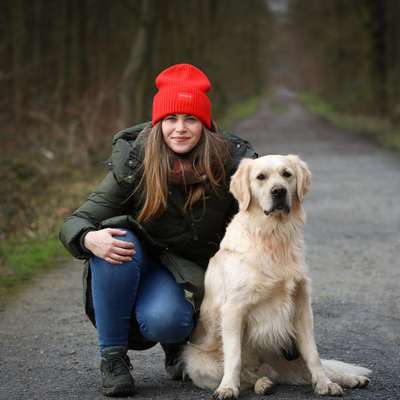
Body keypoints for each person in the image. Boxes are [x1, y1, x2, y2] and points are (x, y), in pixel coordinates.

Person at [59, 63, 258, 397]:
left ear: (205, 125)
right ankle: (113, 359)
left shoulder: (230, 166)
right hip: (139, 259)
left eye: (190, 119)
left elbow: (260, 231)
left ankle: (176, 344)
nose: (180, 129)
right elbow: (76, 221)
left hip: (189, 270)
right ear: (158, 124)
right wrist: (87, 237)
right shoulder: (135, 163)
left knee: (168, 320)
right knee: (113, 239)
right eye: (171, 119)